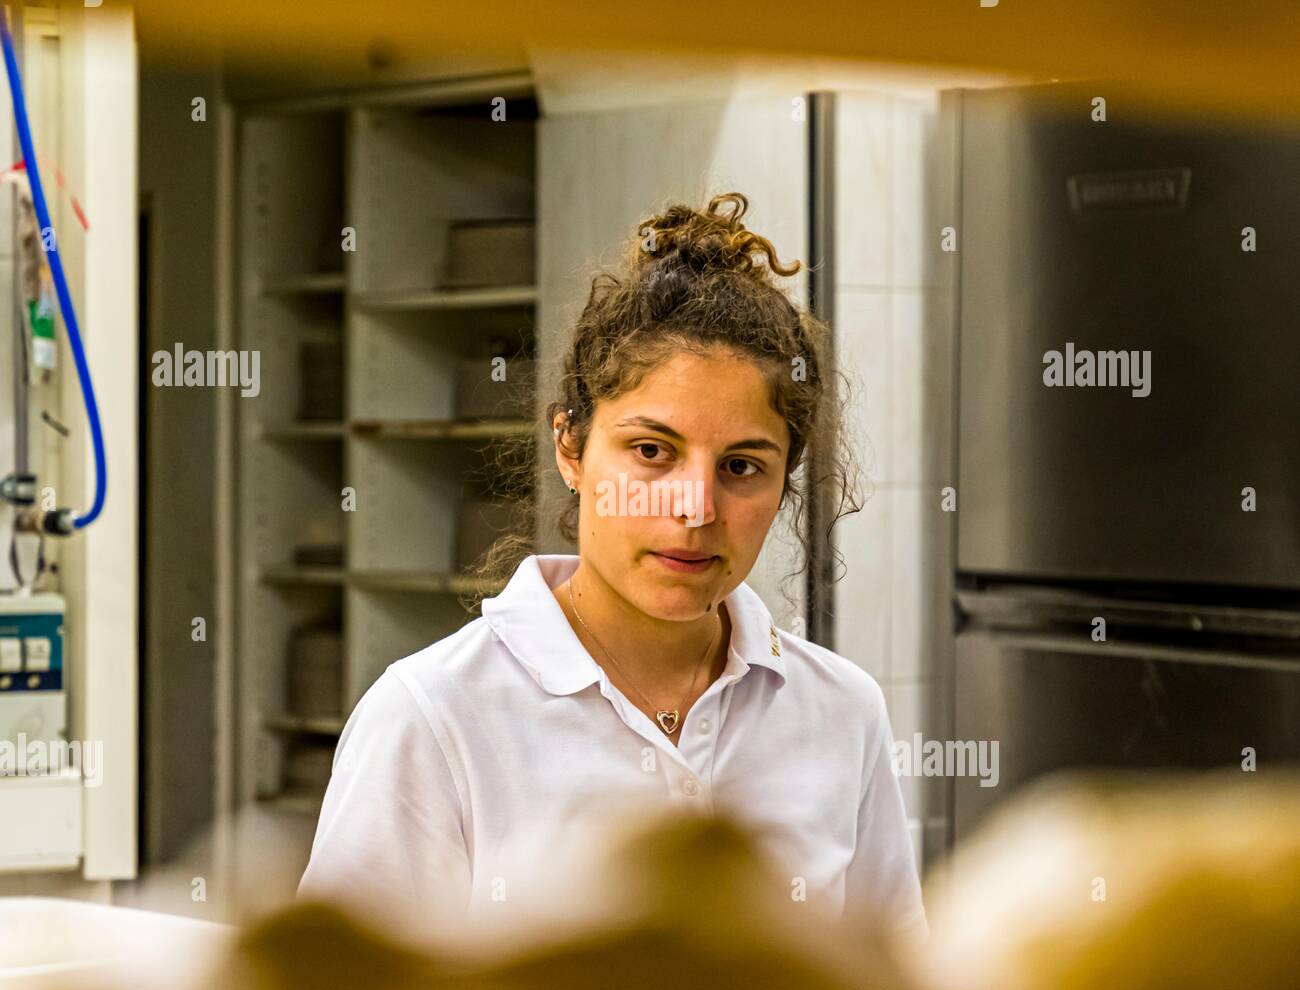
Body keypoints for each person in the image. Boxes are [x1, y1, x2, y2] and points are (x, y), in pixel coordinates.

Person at [297, 192, 927, 948]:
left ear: (785, 479)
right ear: (571, 447)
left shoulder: (841, 713)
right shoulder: (433, 718)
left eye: (742, 466)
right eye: (652, 451)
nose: (696, 509)